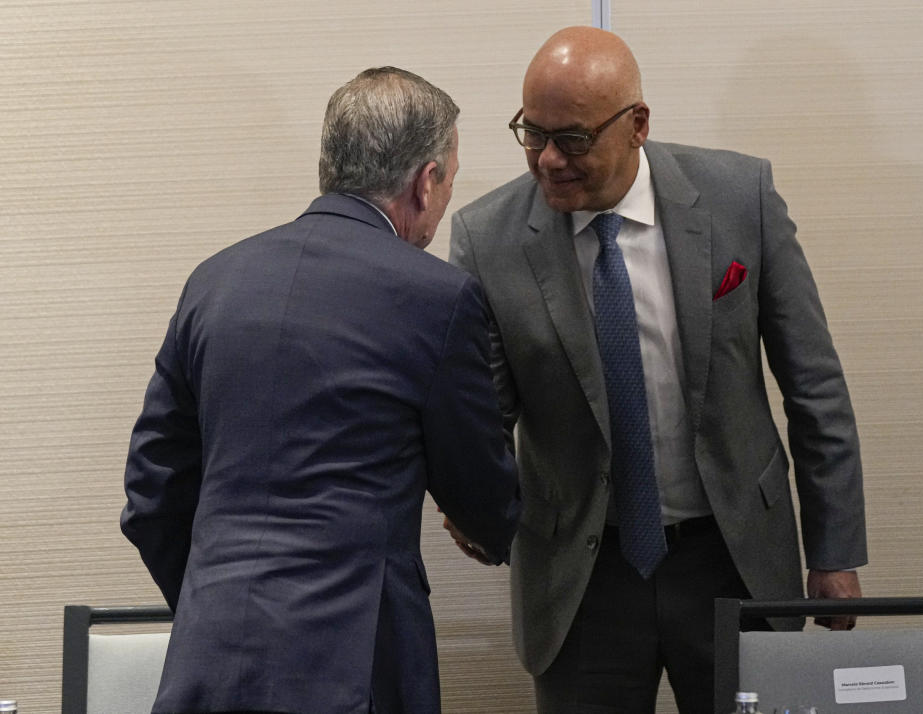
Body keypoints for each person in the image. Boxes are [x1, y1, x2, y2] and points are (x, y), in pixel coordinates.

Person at [448, 27, 867, 714]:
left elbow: (814, 384)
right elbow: (482, 413)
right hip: (583, 577)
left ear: (637, 125)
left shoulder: (741, 198)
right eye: (531, 133)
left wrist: (834, 549)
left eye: (573, 139)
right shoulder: (485, 238)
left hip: (732, 557)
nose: (548, 159)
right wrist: (472, 495)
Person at [121, 66, 521, 714]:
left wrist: (213, 597)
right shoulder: (437, 298)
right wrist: (496, 523)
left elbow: (150, 494)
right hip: (356, 671)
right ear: (426, 182)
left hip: (210, 661)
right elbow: (480, 491)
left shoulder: (214, 282)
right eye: (448, 178)